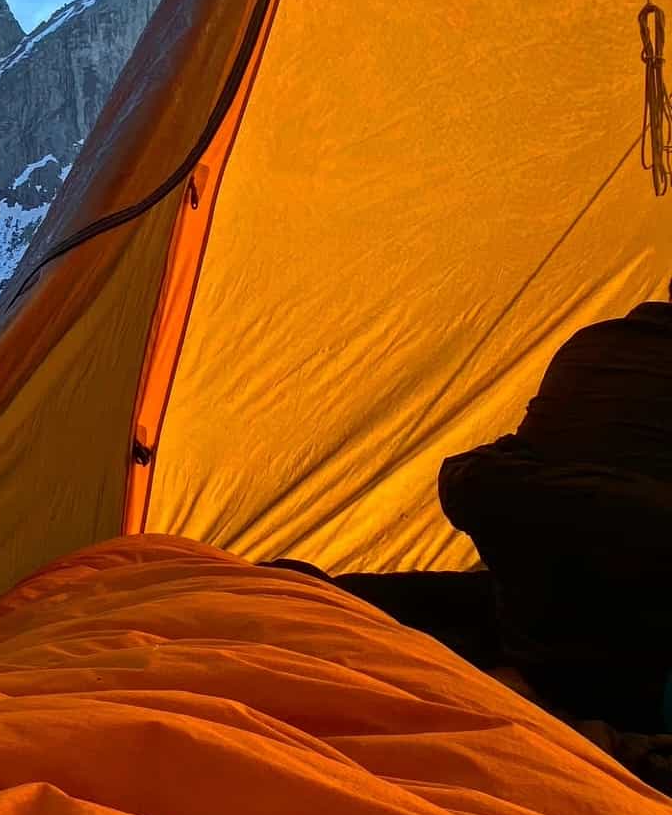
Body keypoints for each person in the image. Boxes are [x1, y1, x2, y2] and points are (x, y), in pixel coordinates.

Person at [270, 284, 672, 785]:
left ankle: (290, 596)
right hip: (629, 670)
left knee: (359, 600)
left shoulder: (595, 344)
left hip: (528, 618)